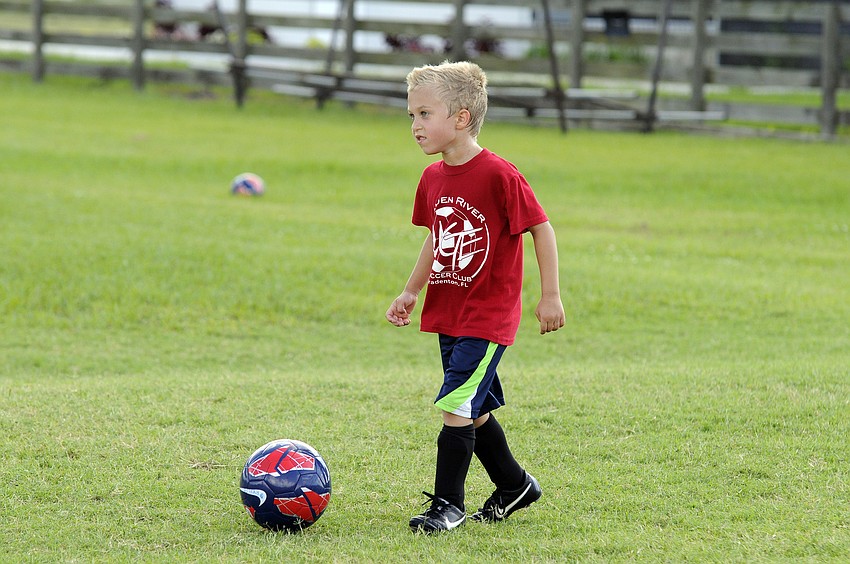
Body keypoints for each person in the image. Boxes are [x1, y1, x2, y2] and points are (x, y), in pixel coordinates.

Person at [386, 60, 565, 534]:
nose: (415, 126)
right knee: (474, 408)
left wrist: (550, 297)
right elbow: (437, 238)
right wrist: (410, 290)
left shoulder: (498, 175)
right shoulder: (432, 179)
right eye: (411, 116)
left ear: (461, 118)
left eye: (424, 114)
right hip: (449, 311)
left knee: (455, 405)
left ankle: (449, 505)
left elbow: (541, 229)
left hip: (487, 316)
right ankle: (515, 486)